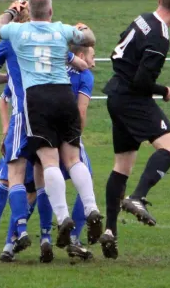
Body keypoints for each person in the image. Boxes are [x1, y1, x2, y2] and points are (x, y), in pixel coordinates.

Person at [0, 0, 103, 252]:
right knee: (73, 159)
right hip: (63, 95)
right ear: (50, 11)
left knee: (49, 161)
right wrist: (83, 28)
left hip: (37, 99)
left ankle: (62, 217)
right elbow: (90, 39)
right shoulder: (61, 30)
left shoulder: (18, 32)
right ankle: (92, 207)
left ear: (31, 12)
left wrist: (12, 12)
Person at [99, 0, 170, 259]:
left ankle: (110, 230)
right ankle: (137, 197)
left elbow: (118, 50)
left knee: (122, 165)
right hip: (131, 98)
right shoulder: (160, 36)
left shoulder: (143, 19)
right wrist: (164, 91)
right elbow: (142, 81)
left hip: (115, 93)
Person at [0, 3, 56, 262]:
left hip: (22, 115)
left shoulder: (10, 39)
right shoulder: (50, 37)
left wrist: (9, 78)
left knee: (13, 176)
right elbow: (75, 63)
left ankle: (18, 232)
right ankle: (47, 236)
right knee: (43, 178)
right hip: (49, 113)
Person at [0, 86, 37, 241]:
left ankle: (16, 233)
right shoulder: (18, 73)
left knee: (33, 188)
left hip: (39, 132)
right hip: (18, 132)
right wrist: (6, 128)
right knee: (6, 180)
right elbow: (3, 98)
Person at [63, 43, 96, 260]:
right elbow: (81, 111)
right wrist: (77, 138)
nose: (95, 60)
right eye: (93, 55)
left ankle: (18, 236)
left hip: (42, 129)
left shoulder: (59, 67)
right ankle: (73, 236)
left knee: (35, 184)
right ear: (81, 55)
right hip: (68, 134)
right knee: (86, 176)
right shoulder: (85, 75)